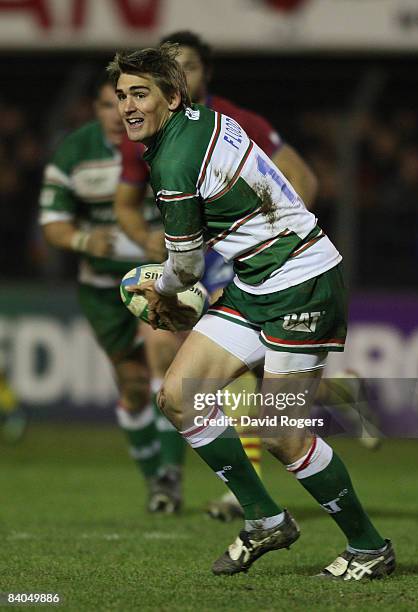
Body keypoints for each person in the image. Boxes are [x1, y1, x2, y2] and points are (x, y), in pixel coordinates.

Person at [107, 45, 396, 580]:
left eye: (140, 94)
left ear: (172, 97)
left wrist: (155, 287)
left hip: (302, 285)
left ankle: (368, 545)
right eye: (122, 95)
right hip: (256, 281)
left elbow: (187, 267)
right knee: (178, 396)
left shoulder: (174, 159)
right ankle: (265, 518)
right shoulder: (206, 119)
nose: (127, 105)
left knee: (281, 433)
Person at [115, 30, 319, 520]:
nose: (180, 74)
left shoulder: (235, 121)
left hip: (243, 257)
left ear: (201, 75)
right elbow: (125, 207)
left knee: (253, 382)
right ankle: (175, 473)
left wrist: (271, 243)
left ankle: (248, 494)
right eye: (123, 95)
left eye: (190, 65)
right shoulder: (140, 131)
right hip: (189, 249)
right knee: (174, 360)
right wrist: (147, 239)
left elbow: (305, 181)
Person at [39, 76, 182, 513]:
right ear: (95, 108)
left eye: (128, 99)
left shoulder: (161, 143)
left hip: (156, 280)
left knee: (163, 360)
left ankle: (172, 476)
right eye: (109, 103)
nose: (118, 111)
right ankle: (154, 477)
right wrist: (84, 242)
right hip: (102, 288)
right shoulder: (73, 153)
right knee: (134, 385)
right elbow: (53, 222)